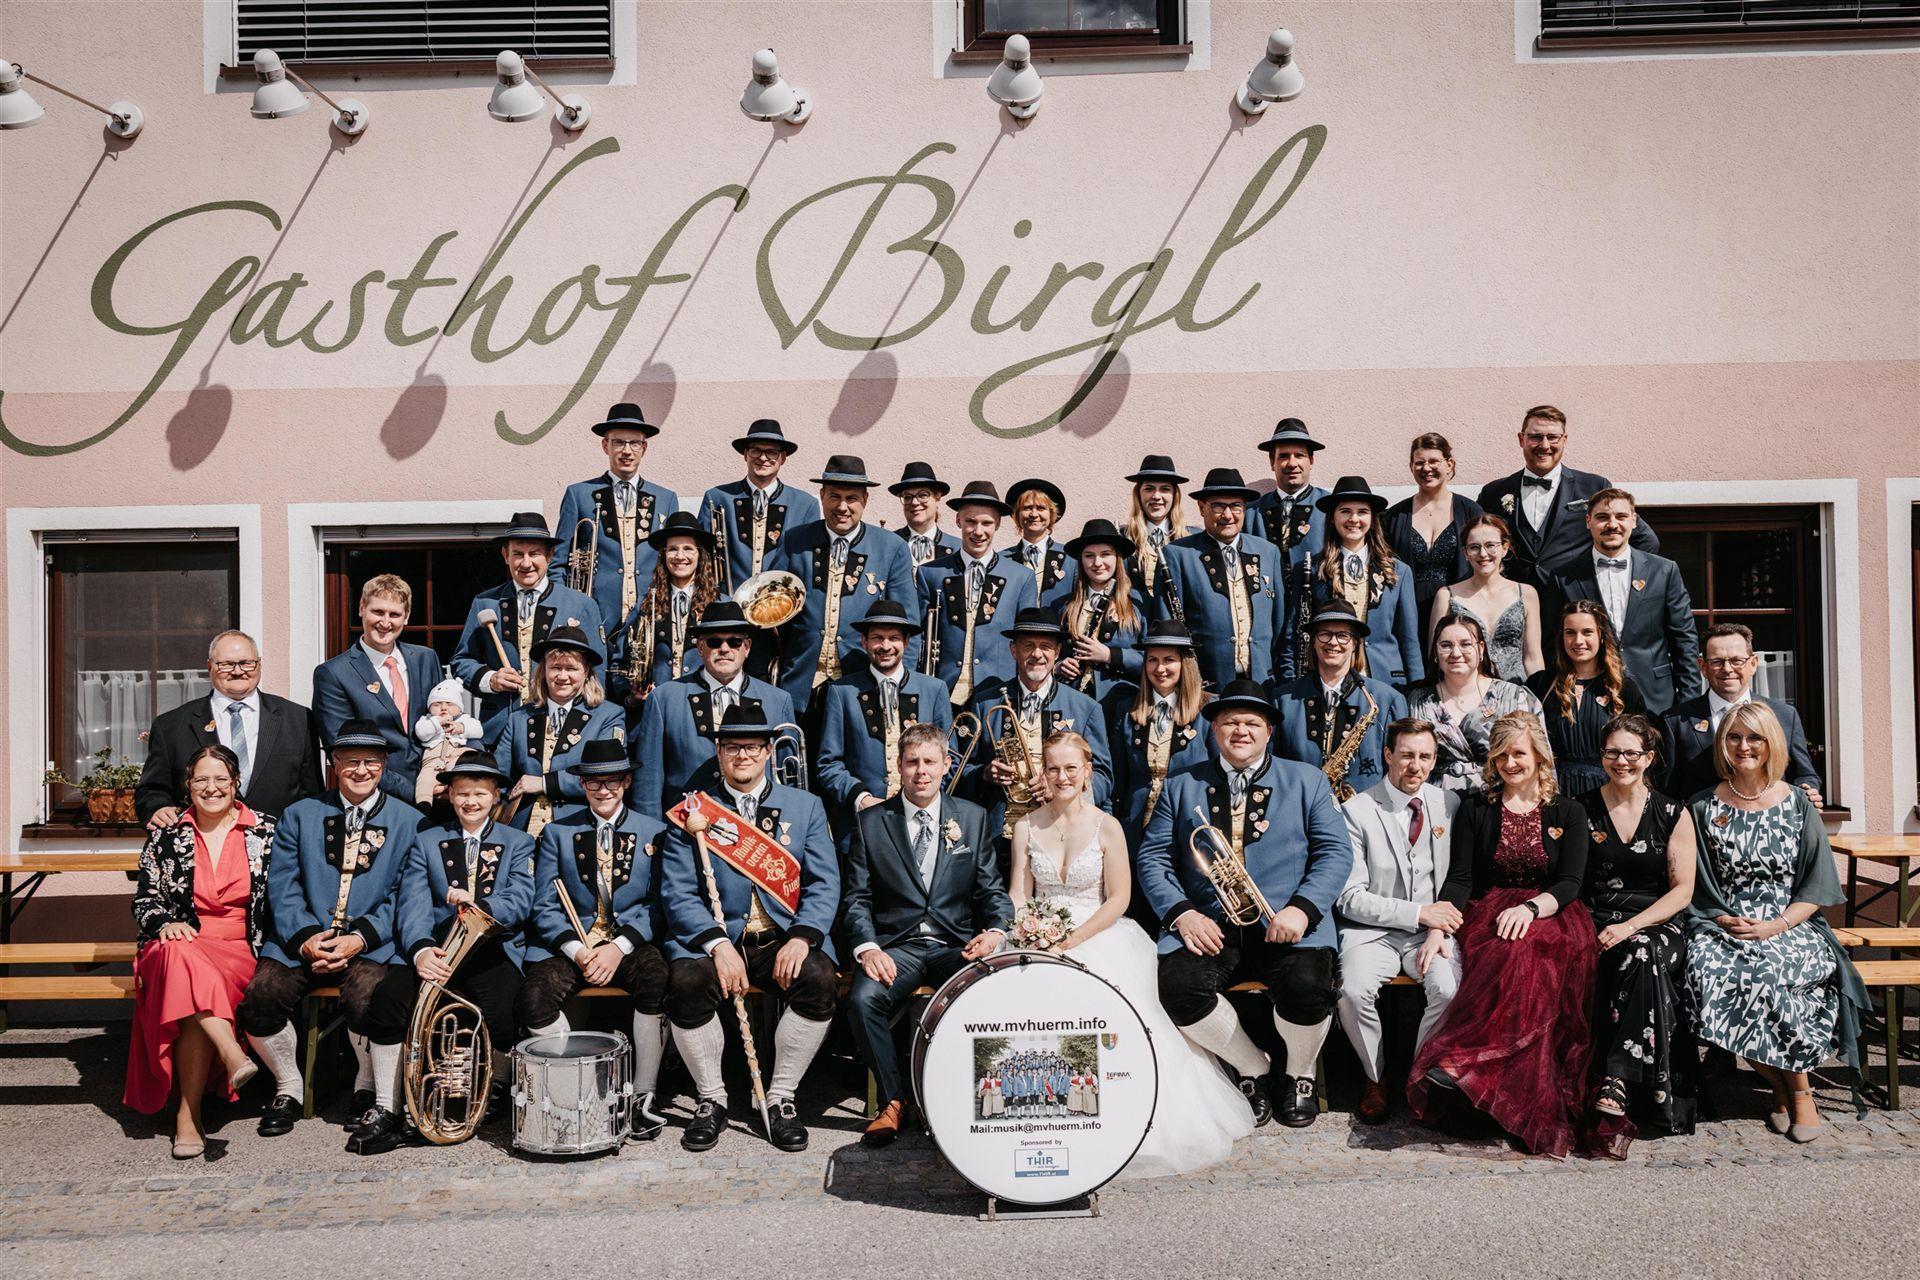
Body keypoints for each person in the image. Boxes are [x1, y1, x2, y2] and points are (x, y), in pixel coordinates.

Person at [1009, 730, 1255, 1174]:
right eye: (1053, 768)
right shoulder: (1026, 826)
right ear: (1042, 772)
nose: (1062, 777)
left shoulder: (1108, 826)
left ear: (1088, 771)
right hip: (1039, 935)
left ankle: (1118, 1118)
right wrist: (1030, 931)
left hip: (1098, 932)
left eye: (1071, 768)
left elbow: (1119, 898)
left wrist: (1073, 939)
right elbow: (1019, 894)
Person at [1138, 680, 1354, 1128]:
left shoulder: (1308, 780)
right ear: (1213, 729)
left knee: (1309, 988)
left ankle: (1298, 1074)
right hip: (1209, 922)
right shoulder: (1180, 785)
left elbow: (1335, 852)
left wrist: (1302, 908)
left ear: (1269, 731)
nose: (1241, 731)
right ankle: (1254, 1068)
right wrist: (1182, 914)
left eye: (1252, 723)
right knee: (1177, 989)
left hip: (1286, 922)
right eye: (1230, 722)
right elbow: (1153, 857)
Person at [1407, 711, 1597, 1158]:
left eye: (1519, 754)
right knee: (1504, 950)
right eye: (1501, 756)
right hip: (1490, 910)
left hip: (1551, 912)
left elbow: (1571, 882)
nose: (1510, 763)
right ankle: (1480, 1077)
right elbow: (1460, 878)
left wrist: (1530, 909)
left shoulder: (1568, 811)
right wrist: (1438, 927)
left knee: (1528, 954)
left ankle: (1467, 1062)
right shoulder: (1477, 808)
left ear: (1539, 757)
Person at [660, 706, 840, 1153]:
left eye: (753, 747)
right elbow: (677, 891)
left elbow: (824, 882)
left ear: (768, 753)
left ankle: (781, 1097)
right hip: (718, 938)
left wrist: (802, 936)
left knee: (819, 979)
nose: (743, 755)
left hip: (780, 936)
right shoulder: (694, 810)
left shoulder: (806, 806)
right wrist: (717, 945)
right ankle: (711, 1099)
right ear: (719, 752)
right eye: (732, 747)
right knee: (685, 982)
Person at [1687, 702, 1868, 1145]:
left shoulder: (1797, 804)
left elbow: (1816, 886)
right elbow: (1696, 883)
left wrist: (1775, 926)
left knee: (1769, 972)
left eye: (1755, 738)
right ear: (1722, 744)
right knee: (1710, 971)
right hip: (1723, 923)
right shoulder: (1702, 806)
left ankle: (1798, 1090)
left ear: (1772, 744)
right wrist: (1723, 918)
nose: (1744, 746)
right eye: (1734, 737)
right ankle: (1782, 1086)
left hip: (1791, 923)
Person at [238, 719, 423, 1151]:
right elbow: (282, 885)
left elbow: (405, 894)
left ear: (383, 765)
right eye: (351, 761)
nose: (361, 770)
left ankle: (366, 1085)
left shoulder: (410, 821)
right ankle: (288, 1087)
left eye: (371, 762)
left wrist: (359, 939)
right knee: (260, 998)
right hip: (302, 939)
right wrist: (306, 937)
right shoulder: (299, 814)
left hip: (371, 944)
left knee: (370, 1000)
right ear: (334, 764)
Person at [844, 724, 1009, 1145]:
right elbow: (857, 897)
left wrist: (994, 932)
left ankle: (967, 1099)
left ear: (946, 765)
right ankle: (893, 1100)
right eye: (912, 762)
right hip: (896, 948)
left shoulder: (971, 817)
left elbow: (991, 890)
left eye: (930, 762)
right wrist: (868, 948)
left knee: (991, 991)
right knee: (862, 1000)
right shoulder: (870, 822)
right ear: (898, 766)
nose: (921, 771)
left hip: (954, 945)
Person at [519, 739, 675, 1143]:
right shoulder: (557, 832)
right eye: (593, 782)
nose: (603, 790)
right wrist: (578, 950)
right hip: (575, 945)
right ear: (582, 784)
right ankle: (575, 1091)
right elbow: (544, 904)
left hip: (628, 943)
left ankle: (643, 1095)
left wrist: (617, 948)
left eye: (612, 781)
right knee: (534, 996)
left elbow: (659, 904)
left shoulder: (655, 831)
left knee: (657, 978)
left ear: (626, 782)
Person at [128, 745, 275, 1158]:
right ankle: (230, 1054)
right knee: (181, 954)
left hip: (238, 948)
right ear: (188, 786)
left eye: (221, 779)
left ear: (236, 783)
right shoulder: (166, 834)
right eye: (201, 780)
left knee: (192, 994)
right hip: (174, 942)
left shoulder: (266, 832)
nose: (212, 788)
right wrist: (164, 923)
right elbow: (144, 900)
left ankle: (188, 1115)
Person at [394, 751, 537, 1128]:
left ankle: (498, 1082)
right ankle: (425, 1089)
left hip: (494, 945)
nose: (470, 801)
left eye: (479, 793)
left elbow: (521, 898)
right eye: (462, 793)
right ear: (450, 795)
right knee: (404, 1002)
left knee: (503, 1010)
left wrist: (480, 905)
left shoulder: (518, 841)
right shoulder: (427, 841)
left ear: (495, 796)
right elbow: (412, 902)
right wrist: (421, 948)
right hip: (443, 947)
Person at [1575, 715, 1701, 1142]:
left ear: (1648, 758)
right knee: (1629, 954)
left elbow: (1682, 891)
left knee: (1643, 951)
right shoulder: (1581, 809)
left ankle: (1615, 1078)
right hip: (1596, 917)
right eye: (1612, 752)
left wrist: (1631, 926)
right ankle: (1629, 1084)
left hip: (1656, 919)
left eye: (1631, 753)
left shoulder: (1672, 812)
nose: (1621, 761)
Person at [1334, 720, 1462, 1124]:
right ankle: (1375, 1077)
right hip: (1372, 934)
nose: (1415, 765)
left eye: (1425, 756)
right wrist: (1418, 913)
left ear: (1435, 760)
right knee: (1352, 992)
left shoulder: (1450, 805)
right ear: (1388, 755)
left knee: (1448, 988)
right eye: (1406, 755)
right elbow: (1349, 898)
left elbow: (1459, 878)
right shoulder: (1356, 810)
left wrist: (1434, 925)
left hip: (1430, 934)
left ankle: (1419, 1075)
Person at [767, 455, 920, 714]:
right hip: (800, 681)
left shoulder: (891, 547)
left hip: (863, 683)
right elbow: (769, 609)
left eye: (851, 498)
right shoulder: (795, 540)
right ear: (822, 496)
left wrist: (902, 682)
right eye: (834, 496)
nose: (842, 507)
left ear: (865, 500)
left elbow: (908, 624)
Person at [958, 609, 1112, 856]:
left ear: (1057, 653)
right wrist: (985, 774)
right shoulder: (984, 703)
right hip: (997, 840)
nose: (1037, 654)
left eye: (1045, 646)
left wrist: (1062, 788)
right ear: (1013, 650)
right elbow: (960, 771)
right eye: (1028, 646)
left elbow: (1103, 776)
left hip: (1064, 837)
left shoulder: (1086, 708)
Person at [136, 630, 323, 827]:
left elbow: (312, 795)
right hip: (201, 841)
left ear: (259, 664)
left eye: (246, 663)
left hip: (280, 841)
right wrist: (157, 809)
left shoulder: (298, 719)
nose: (237, 671)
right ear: (209, 666)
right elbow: (151, 791)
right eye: (226, 664)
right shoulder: (171, 726)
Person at [629, 601, 796, 819]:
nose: (724, 649)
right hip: (685, 828)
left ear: (747, 647)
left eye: (734, 642)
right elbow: (648, 783)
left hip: (759, 831)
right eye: (714, 642)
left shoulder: (778, 700)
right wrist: (654, 832)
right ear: (700, 648)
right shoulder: (664, 699)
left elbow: (790, 780)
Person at [1550, 488, 1701, 716]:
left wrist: (1688, 703)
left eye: (1620, 516)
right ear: (1588, 521)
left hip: (1655, 699)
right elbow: (1552, 643)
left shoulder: (1664, 571)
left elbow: (1684, 641)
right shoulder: (1563, 577)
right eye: (1602, 517)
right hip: (1588, 700)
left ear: (1633, 520)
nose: (1612, 524)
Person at [814, 601, 953, 845]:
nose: (886, 646)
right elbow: (828, 764)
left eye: (894, 638)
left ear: (906, 642)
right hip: (862, 825)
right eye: (877, 638)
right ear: (864, 642)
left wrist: (924, 799)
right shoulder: (841, 692)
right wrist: (862, 799)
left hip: (924, 823)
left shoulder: (935, 689)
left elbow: (951, 759)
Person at [1474, 405, 1657, 589]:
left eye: (1552, 437)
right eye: (1535, 437)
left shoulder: (1594, 487)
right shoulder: (1494, 492)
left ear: (1564, 440)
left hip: (1574, 600)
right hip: (1511, 596)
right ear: (1521, 439)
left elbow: (1645, 540)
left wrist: (1618, 582)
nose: (1544, 445)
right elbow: (1473, 543)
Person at [451, 512, 606, 727]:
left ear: (550, 555)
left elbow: (597, 673)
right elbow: (462, 662)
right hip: (498, 728)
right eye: (518, 554)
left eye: (534, 554)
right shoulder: (485, 602)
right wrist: (491, 679)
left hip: (561, 728)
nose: (526, 563)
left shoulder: (581, 605)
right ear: (505, 555)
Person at [1110, 622, 1213, 929]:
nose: (1160, 668)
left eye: (1169, 660)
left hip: (1187, 827)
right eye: (1152, 660)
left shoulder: (1209, 711)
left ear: (1185, 664)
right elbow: (1117, 778)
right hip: (1137, 827)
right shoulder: (1127, 710)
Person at [312, 574, 443, 802]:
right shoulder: (333, 674)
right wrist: (415, 793)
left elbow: (446, 717)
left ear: (406, 617)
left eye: (394, 614)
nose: (385, 622)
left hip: (438, 791)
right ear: (361, 609)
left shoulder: (426, 659)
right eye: (378, 612)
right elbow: (342, 750)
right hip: (377, 798)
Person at [550, 401, 680, 632]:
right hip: (592, 617)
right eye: (619, 442)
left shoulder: (666, 499)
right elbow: (558, 563)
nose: (627, 451)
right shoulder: (578, 495)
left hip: (650, 618)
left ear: (644, 447)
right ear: (605, 445)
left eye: (634, 443)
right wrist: (568, 610)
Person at [489, 626, 625, 839]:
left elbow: (606, 775)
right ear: (544, 671)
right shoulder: (519, 718)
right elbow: (498, 777)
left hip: (580, 830)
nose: (562, 676)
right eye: (555, 668)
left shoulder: (608, 716)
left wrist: (543, 783)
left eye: (571, 668)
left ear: (586, 672)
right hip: (522, 834)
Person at [1662, 622, 1821, 803]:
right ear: (1703, 667)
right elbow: (1667, 790)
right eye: (1717, 662)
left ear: (1753, 664)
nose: (1727, 669)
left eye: (1737, 661)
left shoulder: (1784, 716)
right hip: (1699, 820)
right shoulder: (1675, 721)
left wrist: (1806, 791)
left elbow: (1804, 774)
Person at [917, 481, 1039, 705]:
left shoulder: (1021, 577)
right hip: (942, 692)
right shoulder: (930, 573)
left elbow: (1027, 642)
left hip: (998, 694)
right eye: (971, 522)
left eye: (987, 523)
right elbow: (919, 637)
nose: (978, 531)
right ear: (958, 521)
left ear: (998, 524)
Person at [1163, 468, 1286, 690]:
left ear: (1244, 508)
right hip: (1206, 685)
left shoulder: (1269, 552)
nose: (1228, 515)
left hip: (1261, 683)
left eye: (1235, 506)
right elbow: (1170, 625)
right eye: (1218, 506)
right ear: (1202, 508)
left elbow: (1279, 622)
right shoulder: (1178, 555)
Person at [1275, 601, 1409, 802]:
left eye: (1343, 635)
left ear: (1355, 644)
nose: (1333, 642)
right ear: (1314, 642)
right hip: (1300, 809)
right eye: (1324, 634)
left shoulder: (1387, 699)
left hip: (1367, 811)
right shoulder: (1283, 700)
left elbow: (1399, 769)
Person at [1307, 476, 1424, 687]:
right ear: (1332, 518)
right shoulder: (1313, 570)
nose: (1354, 519)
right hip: (1329, 680)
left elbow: (1409, 639)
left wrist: (1417, 688)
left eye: (1362, 512)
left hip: (1386, 681)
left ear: (1372, 520)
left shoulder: (1399, 571)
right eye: (1345, 511)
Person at [1408, 612, 1543, 794]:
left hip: (1498, 800)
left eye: (1465, 644)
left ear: (1481, 649)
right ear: (1435, 653)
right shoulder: (1417, 701)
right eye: (1446, 645)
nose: (1456, 653)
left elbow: (1541, 761)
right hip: (1434, 802)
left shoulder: (1514, 697)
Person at [606, 510, 723, 715]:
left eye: (688, 549)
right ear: (663, 555)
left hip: (706, 709)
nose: (680, 556)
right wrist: (630, 697)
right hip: (656, 710)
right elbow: (620, 661)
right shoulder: (646, 603)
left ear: (700, 555)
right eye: (673, 549)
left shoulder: (720, 603)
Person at [1529, 601, 1644, 796]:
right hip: (1554, 793)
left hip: (1608, 793)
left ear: (1601, 636)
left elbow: (1639, 750)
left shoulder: (1623, 689)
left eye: (1587, 632)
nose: (1578, 641)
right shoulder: (1541, 684)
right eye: (1570, 632)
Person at [700, 418, 821, 594]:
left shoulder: (805, 505)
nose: (763, 458)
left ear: (783, 458)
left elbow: (806, 565)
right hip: (728, 604)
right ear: (746, 455)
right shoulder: (717, 497)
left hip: (781, 604)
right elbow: (704, 558)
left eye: (771, 452)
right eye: (755, 450)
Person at [1385, 433, 1482, 635]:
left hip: (1459, 613)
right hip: (1406, 614)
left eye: (1433, 461)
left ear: (1449, 464)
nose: (1426, 468)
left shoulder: (1471, 512)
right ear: (1411, 467)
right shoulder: (1394, 517)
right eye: (1419, 463)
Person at [1430, 514, 1543, 684]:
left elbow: (1533, 658)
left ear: (1504, 548)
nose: (1483, 554)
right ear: (1465, 553)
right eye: (1474, 547)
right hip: (1464, 690)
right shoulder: (1446, 596)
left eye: (1490, 545)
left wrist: (1539, 694)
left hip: (1516, 690)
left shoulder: (1526, 594)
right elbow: (1436, 656)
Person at [1056, 519, 1145, 703]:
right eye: (1089, 555)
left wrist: (1110, 655)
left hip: (1120, 703)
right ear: (1081, 560)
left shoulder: (1141, 604)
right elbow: (1051, 651)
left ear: (1117, 558)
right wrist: (1059, 665)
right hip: (1073, 701)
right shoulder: (1063, 606)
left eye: (1105, 554)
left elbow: (1153, 660)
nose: (1097, 562)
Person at [1121, 455, 1195, 621]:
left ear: (1175, 495)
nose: (1156, 496)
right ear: (1138, 494)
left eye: (1165, 489)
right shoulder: (1122, 538)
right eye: (1149, 489)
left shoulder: (1193, 538)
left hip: (1180, 629)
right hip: (1137, 627)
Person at [411, 678, 485, 809]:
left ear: (459, 708)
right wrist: (437, 722)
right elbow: (421, 733)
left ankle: (461, 801)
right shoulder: (427, 720)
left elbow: (479, 730)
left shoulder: (463, 718)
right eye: (437, 704)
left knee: (459, 774)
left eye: (450, 704)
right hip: (432, 760)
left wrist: (461, 727)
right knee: (424, 780)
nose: (444, 708)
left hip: (456, 756)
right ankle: (424, 804)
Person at [1006, 478, 1076, 608]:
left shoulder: (1071, 559)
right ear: (1017, 514)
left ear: (1051, 514)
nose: (1034, 514)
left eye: (1041, 508)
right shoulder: (1002, 560)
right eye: (1027, 508)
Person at [890, 461, 961, 568]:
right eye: (907, 497)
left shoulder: (958, 548)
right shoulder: (888, 544)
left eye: (922, 495)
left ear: (937, 497)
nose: (914, 502)